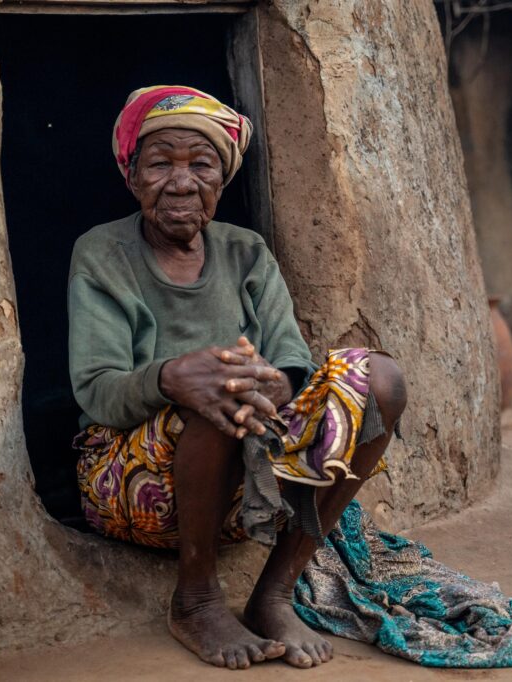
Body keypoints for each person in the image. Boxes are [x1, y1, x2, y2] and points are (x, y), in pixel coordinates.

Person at [68, 85, 407, 670]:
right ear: (132, 177)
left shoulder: (246, 252)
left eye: (200, 165)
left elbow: (292, 361)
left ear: (221, 182)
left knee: (381, 379)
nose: (180, 183)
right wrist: (174, 376)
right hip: (135, 488)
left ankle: (273, 592)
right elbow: (97, 390)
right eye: (160, 165)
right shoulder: (102, 253)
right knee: (214, 391)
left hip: (256, 487)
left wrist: (276, 385)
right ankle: (195, 599)